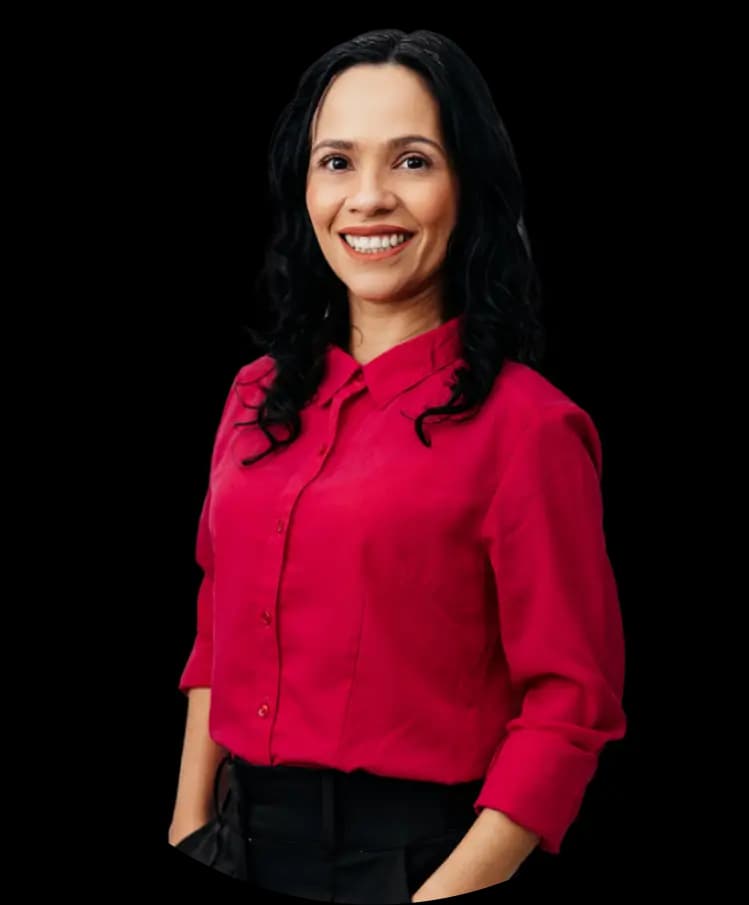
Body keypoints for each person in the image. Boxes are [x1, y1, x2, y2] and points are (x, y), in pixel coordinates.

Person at [168, 28, 627, 902]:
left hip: (411, 865)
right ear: (303, 186)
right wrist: (189, 824)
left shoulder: (529, 427)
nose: (368, 198)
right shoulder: (253, 396)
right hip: (231, 836)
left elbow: (571, 707)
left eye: (411, 161)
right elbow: (215, 625)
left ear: (468, 188)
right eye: (336, 162)